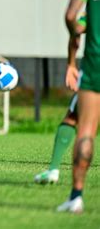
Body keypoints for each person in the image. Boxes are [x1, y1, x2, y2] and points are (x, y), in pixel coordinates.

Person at [57, 0, 100, 214]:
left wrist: (72, 58)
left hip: (95, 62)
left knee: (85, 130)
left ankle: (76, 197)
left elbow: (72, 17)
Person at [34, 15, 87, 184]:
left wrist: (71, 63)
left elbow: (76, 28)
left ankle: (54, 171)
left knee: (73, 118)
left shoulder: (94, 2)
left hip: (95, 70)